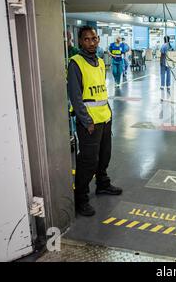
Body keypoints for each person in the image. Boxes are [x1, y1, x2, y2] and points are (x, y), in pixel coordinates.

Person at [67, 26, 123, 216]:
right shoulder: (76, 63)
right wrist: (86, 120)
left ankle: (102, 184)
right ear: (81, 41)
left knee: (104, 155)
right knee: (87, 162)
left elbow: (100, 91)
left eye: (94, 39)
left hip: (105, 118)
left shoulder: (99, 62)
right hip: (89, 123)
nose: (91, 42)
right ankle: (80, 198)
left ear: (98, 39)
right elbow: (75, 96)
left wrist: (108, 114)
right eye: (86, 39)